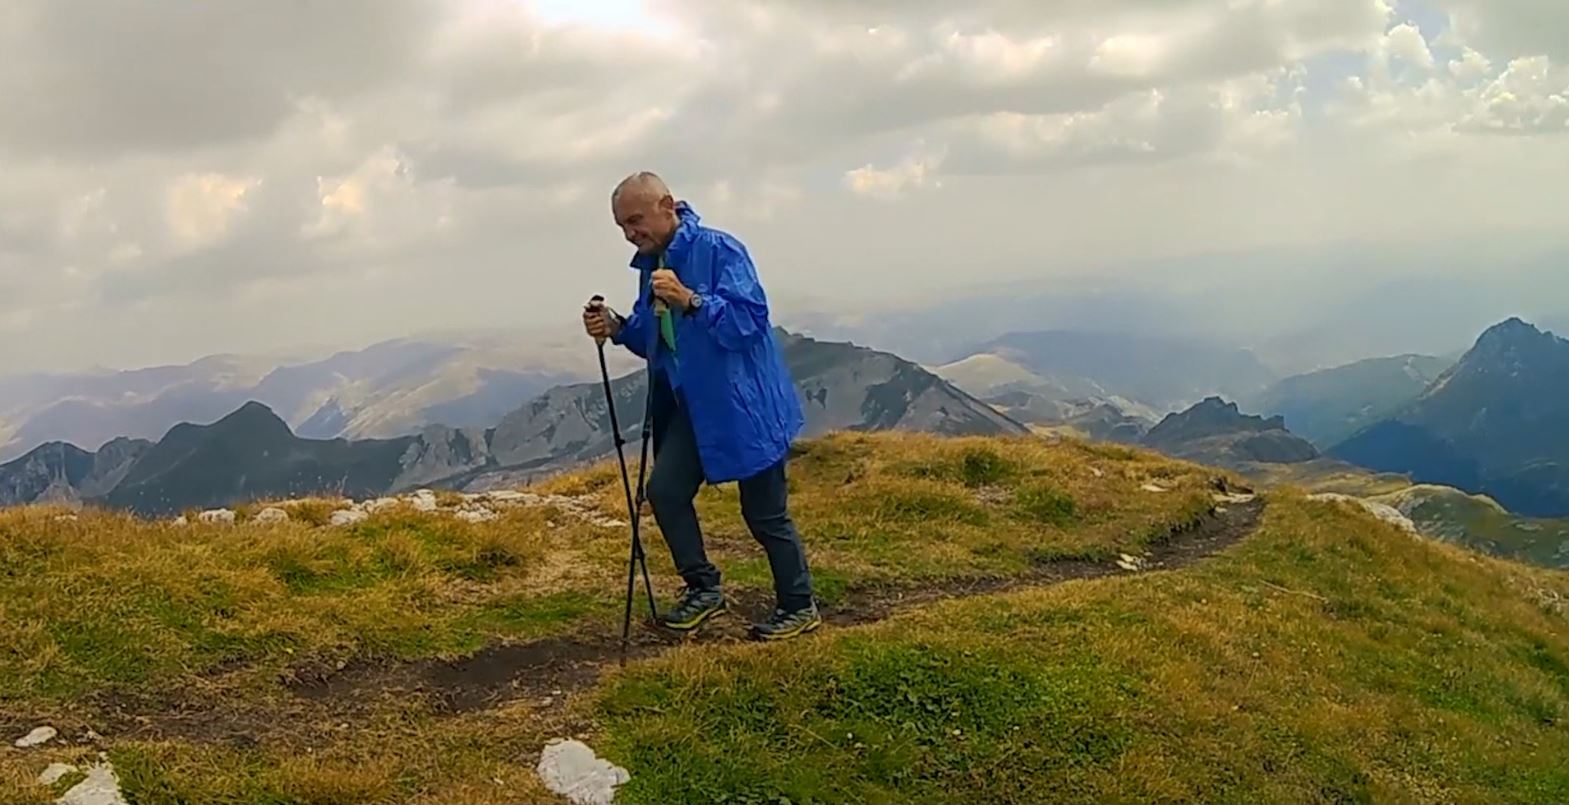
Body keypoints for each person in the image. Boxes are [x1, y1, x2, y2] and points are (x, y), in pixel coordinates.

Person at [582, 171, 820, 641]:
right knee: (666, 493)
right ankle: (703, 588)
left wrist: (692, 300)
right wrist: (616, 326)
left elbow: (748, 323)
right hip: (694, 407)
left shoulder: (720, 250)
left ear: (667, 205)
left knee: (765, 515)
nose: (631, 234)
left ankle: (799, 604)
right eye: (623, 228)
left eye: (635, 221)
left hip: (745, 405)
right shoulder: (653, 264)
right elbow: (660, 341)